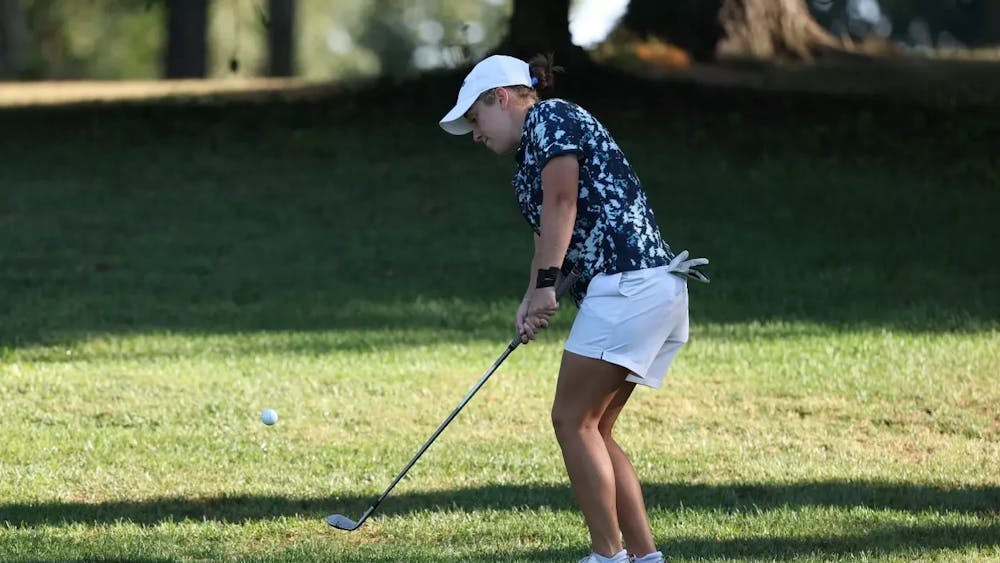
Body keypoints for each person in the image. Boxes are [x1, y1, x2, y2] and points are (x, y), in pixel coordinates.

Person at [439, 54, 708, 563]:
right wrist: (534, 294)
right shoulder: (528, 157)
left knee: (571, 421)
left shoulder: (552, 117)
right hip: (646, 289)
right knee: (595, 428)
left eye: (476, 119)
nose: (476, 134)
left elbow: (562, 203)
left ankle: (608, 556)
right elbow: (554, 232)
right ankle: (646, 557)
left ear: (502, 97)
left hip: (630, 286)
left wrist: (545, 288)